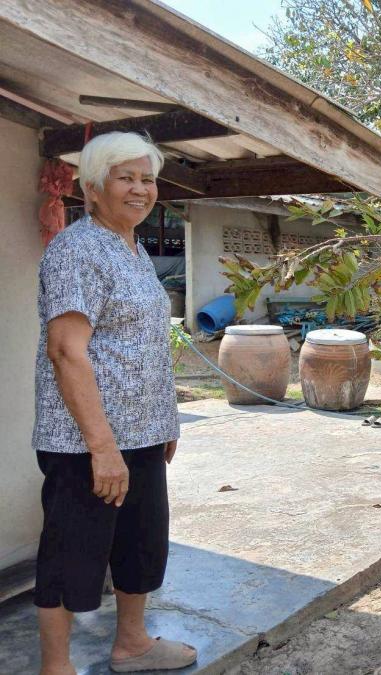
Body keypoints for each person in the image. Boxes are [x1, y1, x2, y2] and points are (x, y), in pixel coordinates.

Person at [32, 132, 196, 674]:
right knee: (71, 555)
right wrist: (102, 448)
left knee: (140, 546)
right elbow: (66, 350)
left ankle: (133, 645)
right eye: (126, 178)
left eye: (147, 179)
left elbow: (141, 342)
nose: (140, 189)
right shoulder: (77, 249)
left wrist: (165, 421)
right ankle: (56, 667)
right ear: (93, 188)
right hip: (85, 442)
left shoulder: (132, 247)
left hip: (142, 433)